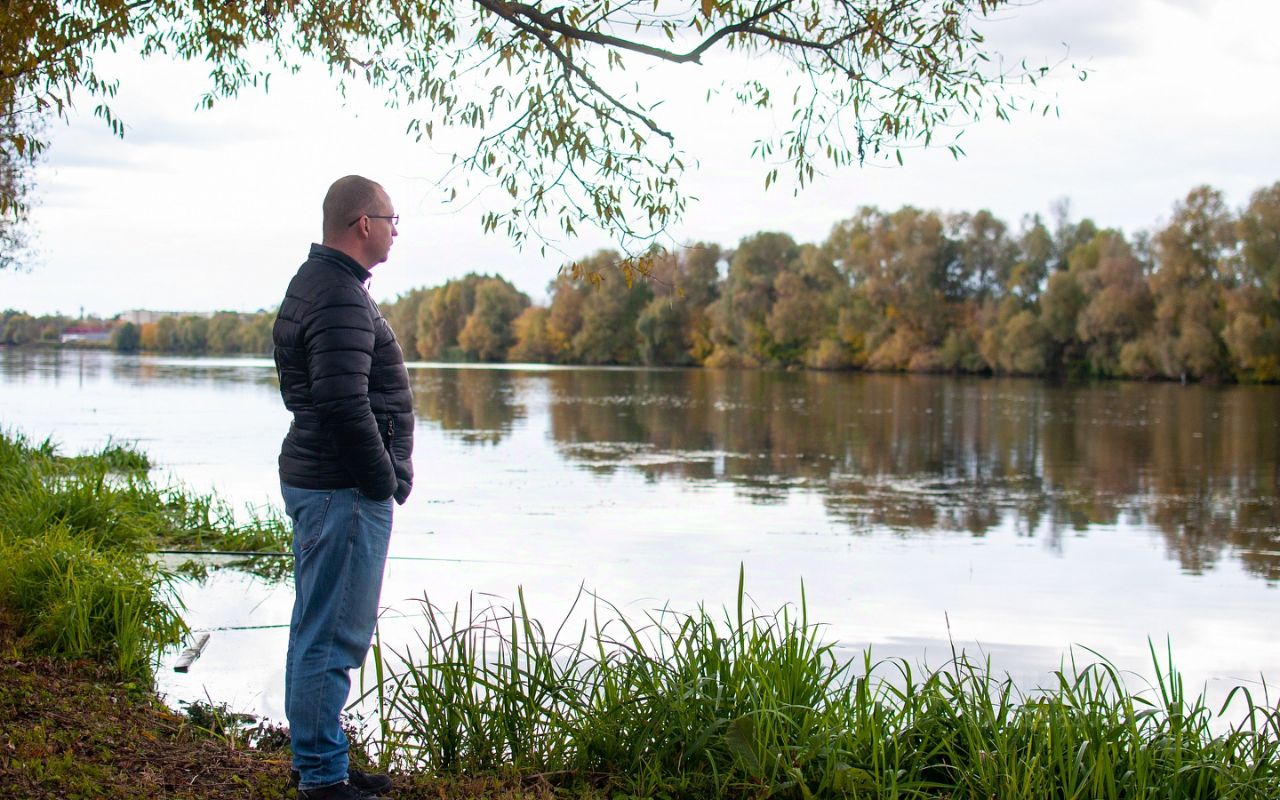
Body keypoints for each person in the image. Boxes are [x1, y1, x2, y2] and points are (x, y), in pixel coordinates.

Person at [272, 175, 415, 799]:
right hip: (343, 488)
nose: (395, 232)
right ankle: (324, 780)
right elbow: (341, 403)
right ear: (363, 223)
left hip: (326, 482)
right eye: (391, 220)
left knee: (317, 626)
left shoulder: (321, 284)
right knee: (333, 635)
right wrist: (383, 480)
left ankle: (319, 759)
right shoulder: (338, 296)